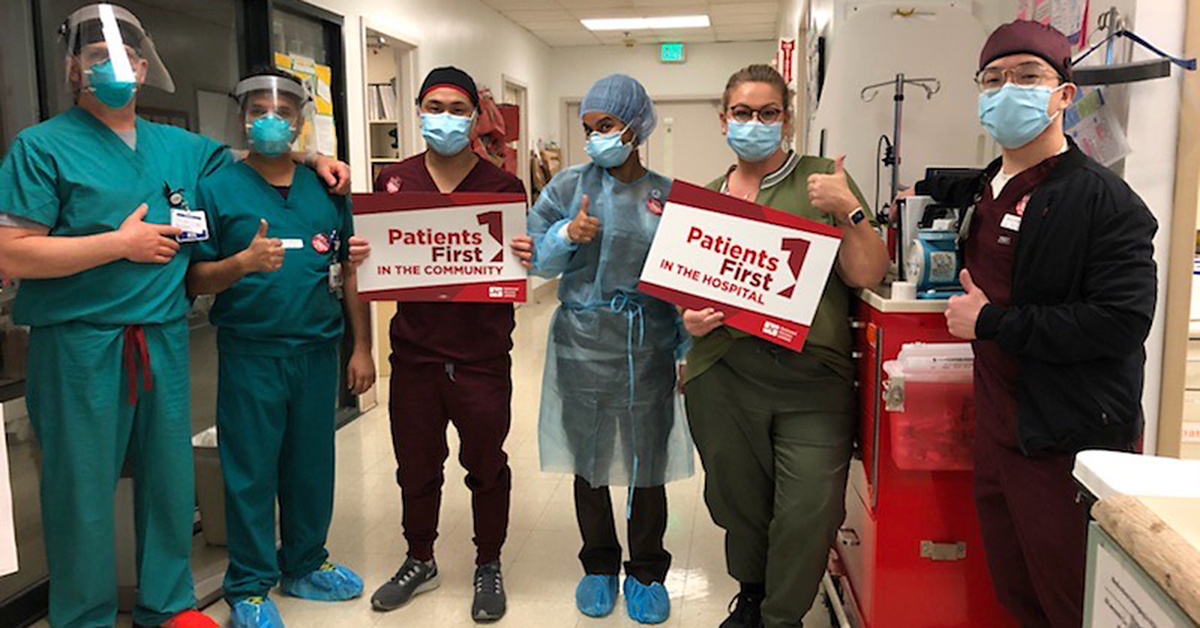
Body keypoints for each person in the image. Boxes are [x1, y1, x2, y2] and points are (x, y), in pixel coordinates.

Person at [0, 6, 354, 628]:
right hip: (81, 344)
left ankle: (167, 607)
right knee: (81, 493)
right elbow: (12, 251)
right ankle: (82, 616)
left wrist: (313, 159)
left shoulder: (184, 149)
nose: (112, 69)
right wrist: (117, 244)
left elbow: (259, 155)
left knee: (168, 486)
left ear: (143, 68)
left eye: (126, 58)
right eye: (95, 58)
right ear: (73, 70)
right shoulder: (42, 147)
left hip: (161, 335)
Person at [941, 21, 1156, 628]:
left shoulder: (1105, 201)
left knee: (1073, 602)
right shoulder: (989, 187)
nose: (1008, 89)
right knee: (1018, 593)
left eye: (1028, 77)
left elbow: (1120, 322)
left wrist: (992, 323)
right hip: (1001, 431)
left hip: (1069, 439)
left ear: (1064, 94)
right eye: (993, 79)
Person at [680, 64, 889, 628]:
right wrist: (692, 319)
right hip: (722, 372)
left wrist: (849, 210)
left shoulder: (822, 181)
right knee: (738, 503)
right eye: (742, 113)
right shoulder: (704, 199)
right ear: (723, 120)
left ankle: (782, 616)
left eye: (768, 113)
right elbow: (689, 295)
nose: (755, 124)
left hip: (811, 378)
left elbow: (867, 272)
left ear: (788, 119)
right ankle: (751, 595)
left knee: (807, 510)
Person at [185, 69, 373, 628]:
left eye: (283, 111)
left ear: (300, 120)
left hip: (318, 347)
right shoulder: (216, 188)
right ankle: (247, 586)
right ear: (242, 118)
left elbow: (349, 269)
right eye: (258, 111)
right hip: (252, 352)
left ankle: (305, 564)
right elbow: (193, 280)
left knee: (311, 465)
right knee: (250, 471)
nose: (271, 120)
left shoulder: (328, 186)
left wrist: (362, 346)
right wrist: (240, 265)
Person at [512, 74, 691, 626]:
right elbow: (534, 258)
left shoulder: (669, 196)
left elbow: (688, 279)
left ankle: (645, 571)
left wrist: (684, 350)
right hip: (582, 345)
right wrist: (567, 236)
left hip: (649, 346)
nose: (595, 138)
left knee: (646, 464)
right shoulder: (566, 187)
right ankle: (597, 565)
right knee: (588, 463)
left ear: (636, 128)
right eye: (589, 128)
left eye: (606, 127)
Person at [366, 66, 526, 624]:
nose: (446, 119)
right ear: (417, 110)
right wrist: (369, 256)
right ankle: (419, 558)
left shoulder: (503, 187)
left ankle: (488, 561)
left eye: (458, 108)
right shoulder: (394, 183)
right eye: (435, 107)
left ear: (475, 117)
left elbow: (513, 263)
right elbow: (377, 258)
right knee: (416, 466)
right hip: (414, 356)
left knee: (486, 464)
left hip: (482, 356)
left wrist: (524, 255)